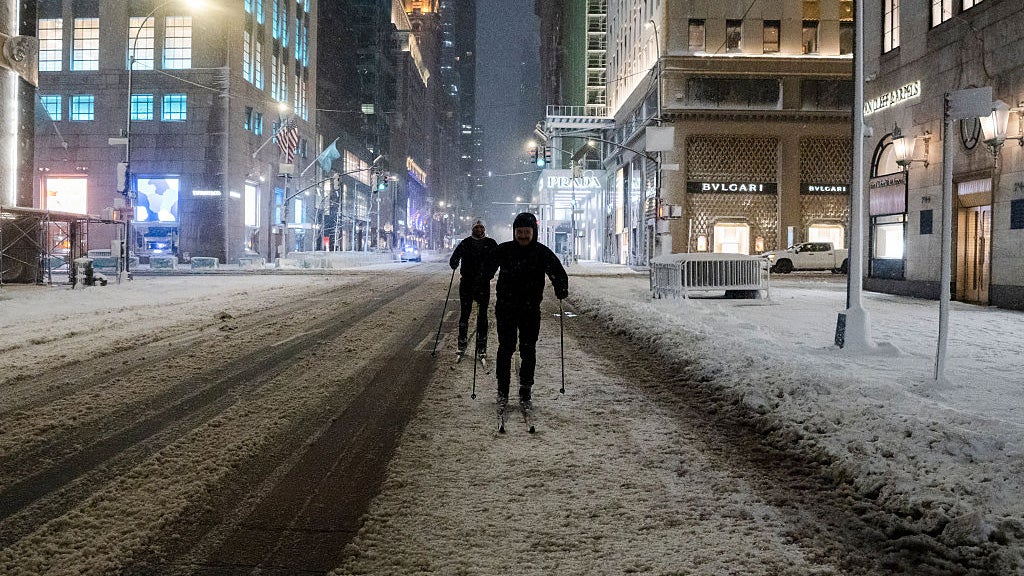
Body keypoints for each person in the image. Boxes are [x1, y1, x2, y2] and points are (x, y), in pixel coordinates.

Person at [479, 212, 568, 412]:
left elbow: (557, 271)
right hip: (506, 308)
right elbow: (487, 267)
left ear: (533, 232)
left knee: (528, 349)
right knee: (506, 348)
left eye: (526, 232)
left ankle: (525, 390)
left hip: (530, 309)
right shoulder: (505, 250)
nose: (522, 236)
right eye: (519, 232)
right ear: (514, 232)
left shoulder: (541, 252)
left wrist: (560, 286)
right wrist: (481, 280)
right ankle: (502, 391)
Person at [449, 220, 498, 356]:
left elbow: (497, 260)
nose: (479, 229)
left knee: (482, 315)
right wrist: (454, 262)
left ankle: (482, 345)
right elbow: (455, 257)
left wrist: (489, 274)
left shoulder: (490, 243)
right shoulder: (465, 243)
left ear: (484, 229)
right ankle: (462, 343)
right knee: (465, 314)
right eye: (476, 227)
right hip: (467, 283)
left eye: (481, 227)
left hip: (483, 283)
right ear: (472, 229)